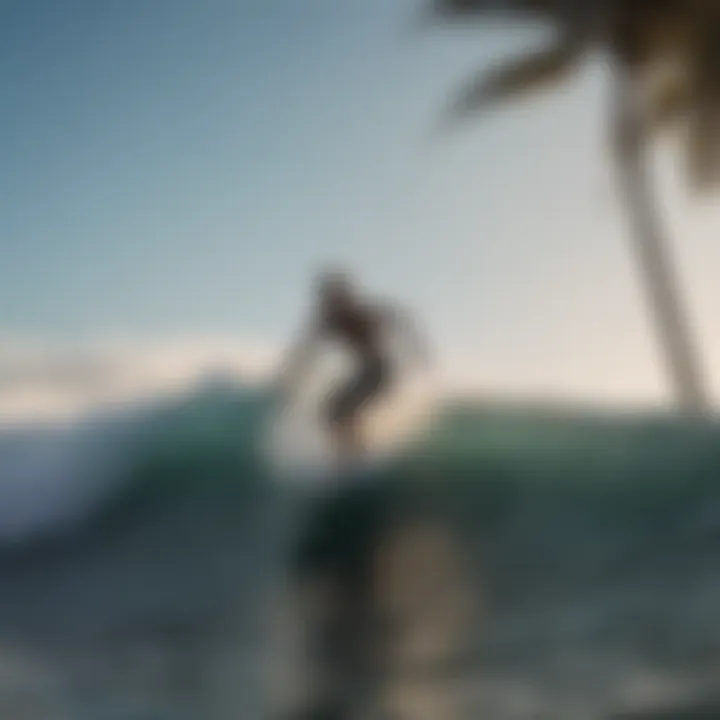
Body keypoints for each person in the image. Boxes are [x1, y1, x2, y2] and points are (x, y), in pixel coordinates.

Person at [275, 270, 430, 471]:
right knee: (333, 413)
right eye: (328, 297)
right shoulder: (328, 321)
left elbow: (397, 317)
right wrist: (293, 372)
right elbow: (307, 347)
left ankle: (356, 458)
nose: (330, 302)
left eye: (335, 296)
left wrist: (417, 350)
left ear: (344, 296)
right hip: (364, 373)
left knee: (340, 411)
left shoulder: (361, 313)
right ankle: (352, 458)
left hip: (380, 371)